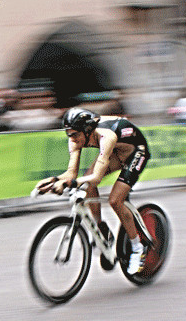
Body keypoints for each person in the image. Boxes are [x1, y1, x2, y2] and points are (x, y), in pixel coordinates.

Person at [34, 107, 151, 275]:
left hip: (136, 152)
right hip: (117, 152)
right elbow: (71, 174)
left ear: (87, 130)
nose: (71, 138)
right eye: (68, 134)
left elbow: (96, 178)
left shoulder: (106, 136)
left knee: (115, 200)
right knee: (85, 181)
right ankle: (101, 228)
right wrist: (53, 181)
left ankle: (138, 248)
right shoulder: (75, 137)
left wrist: (68, 184)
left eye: (74, 134)